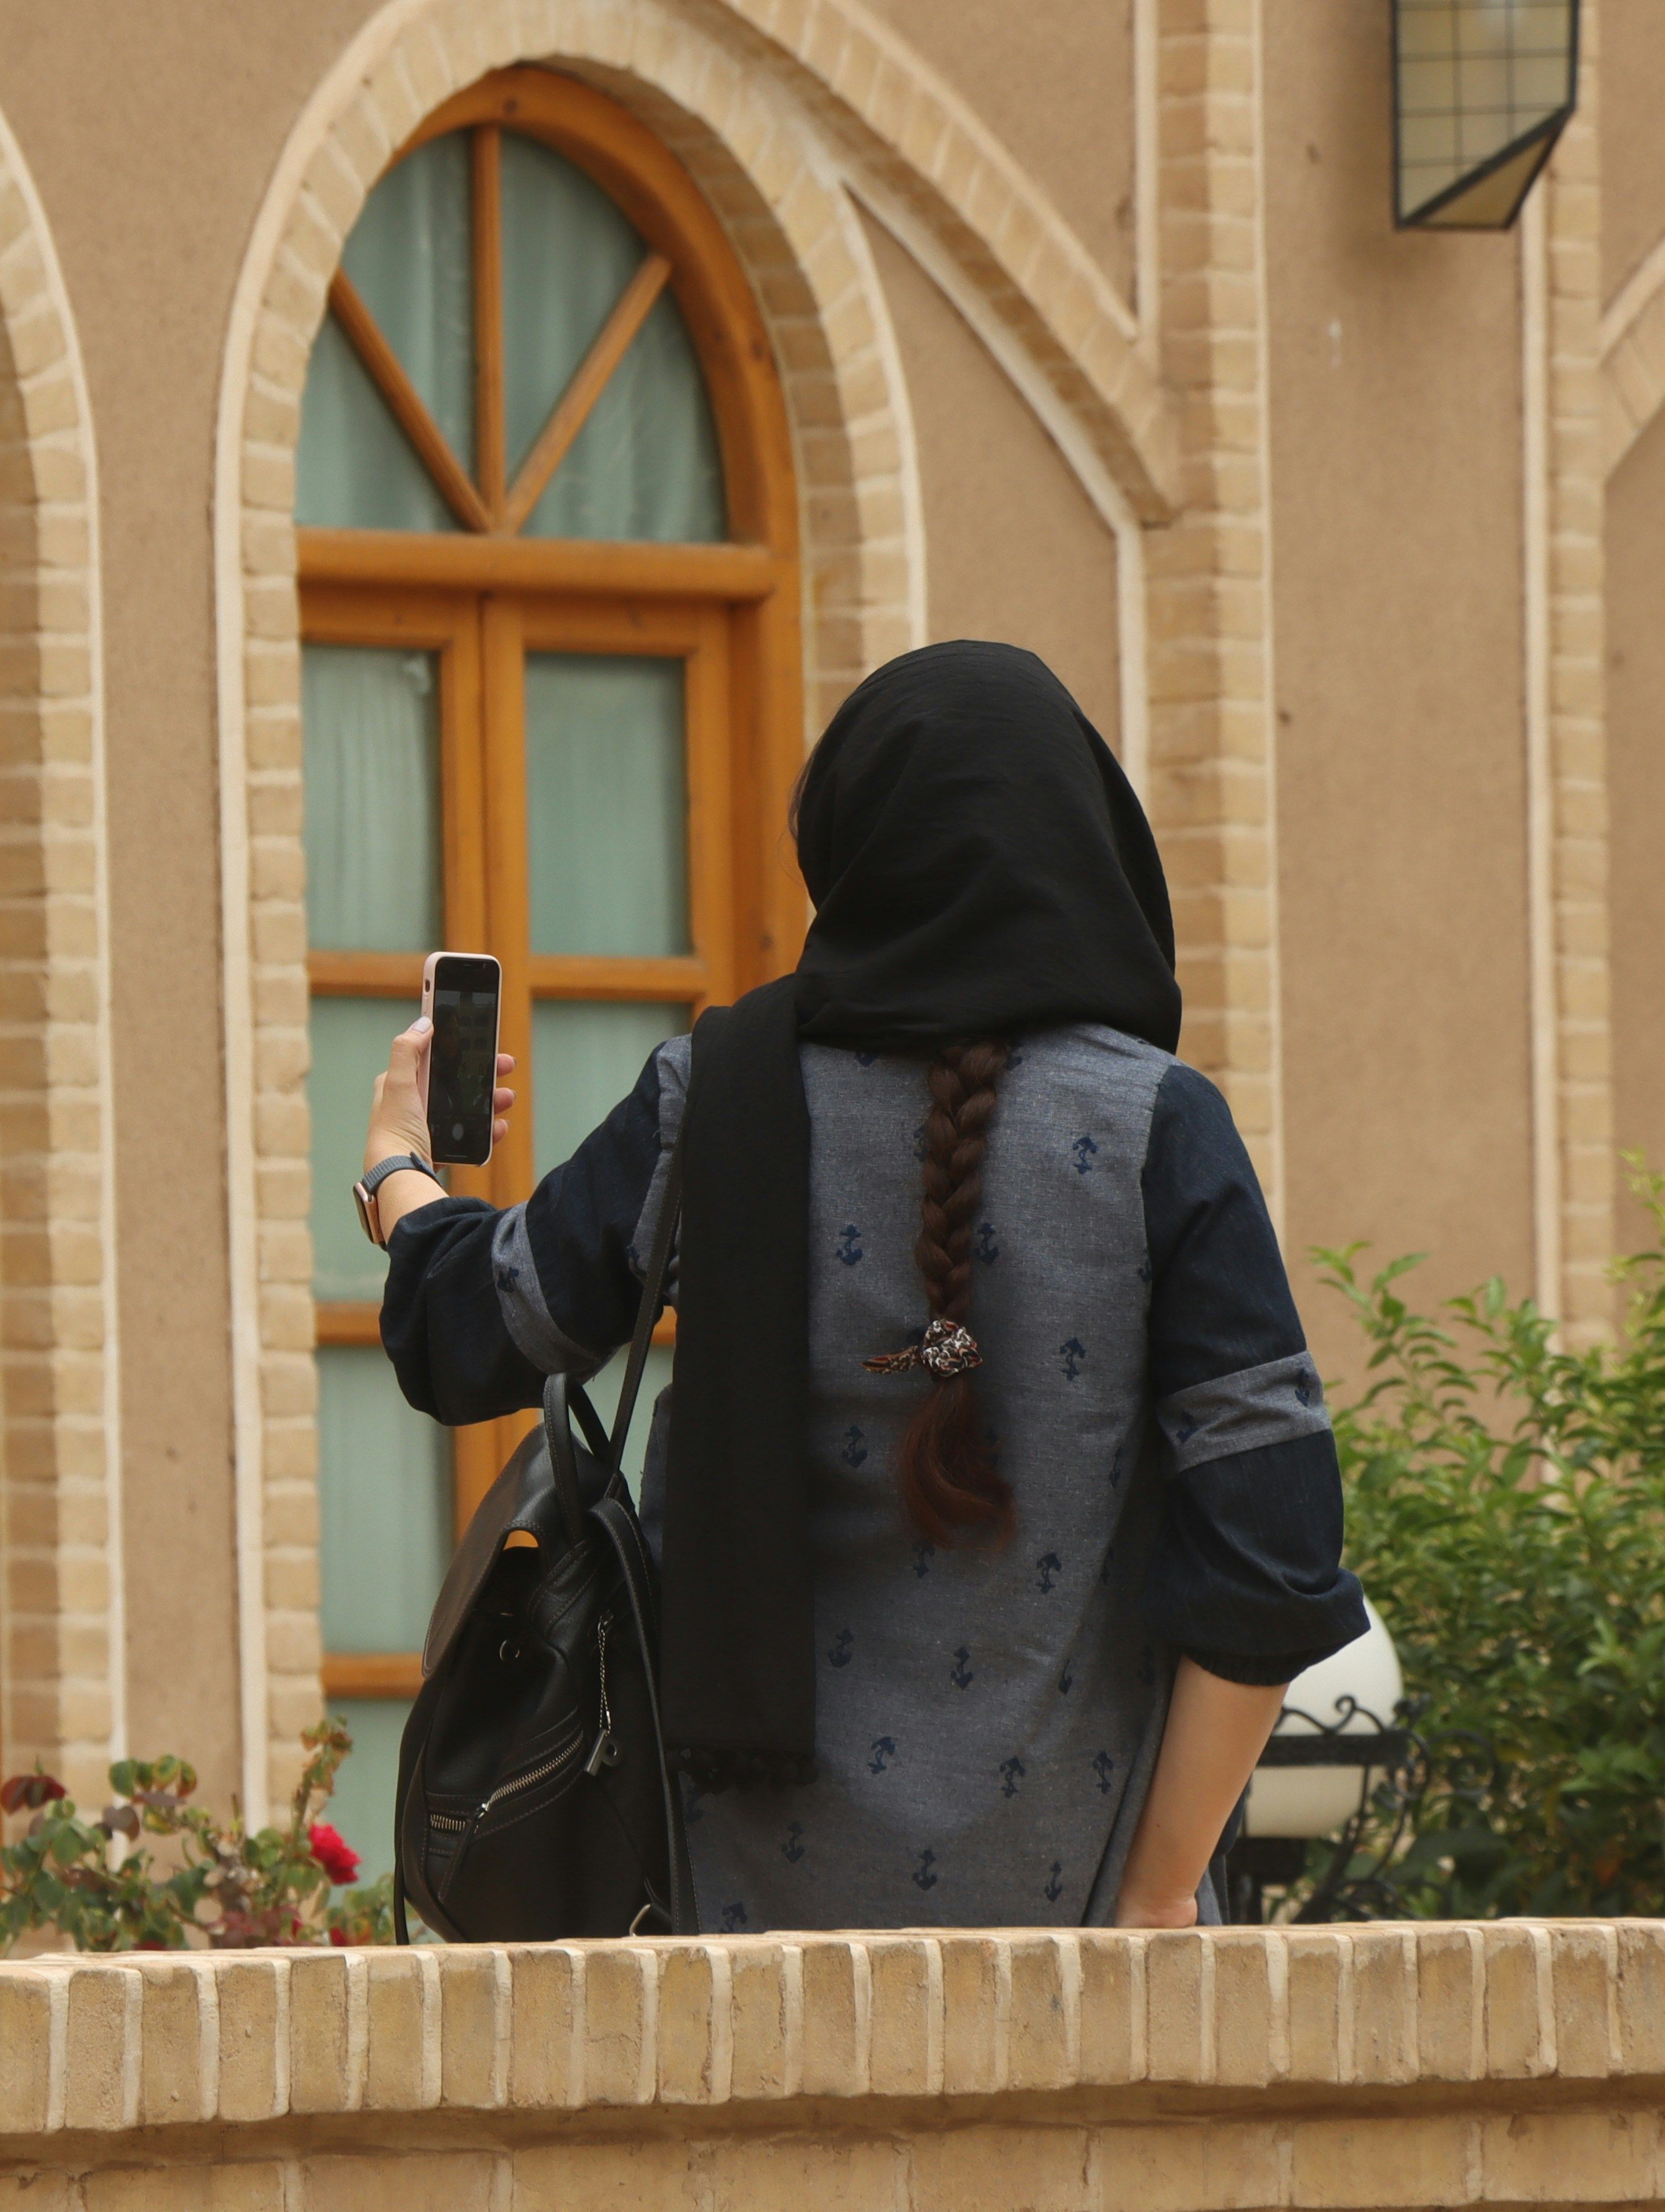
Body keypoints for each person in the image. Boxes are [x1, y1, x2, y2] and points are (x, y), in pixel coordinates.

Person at [351, 641, 1365, 1931]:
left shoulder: (712, 1096)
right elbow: (1274, 1543)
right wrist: (1158, 1898)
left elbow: (477, 1328)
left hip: (743, 1949)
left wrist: (398, 1162)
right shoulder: (1161, 1126)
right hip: (1084, 1942)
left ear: (845, 852)